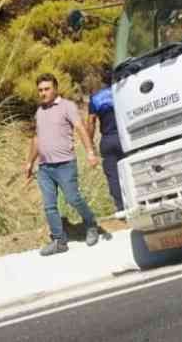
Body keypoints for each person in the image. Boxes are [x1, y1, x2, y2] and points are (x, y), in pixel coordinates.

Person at [25, 74, 111, 255]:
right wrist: (29, 162)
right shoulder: (39, 112)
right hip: (45, 168)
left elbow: (80, 128)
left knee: (73, 198)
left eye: (47, 89)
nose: (43, 93)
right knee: (49, 205)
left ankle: (91, 225)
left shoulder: (67, 107)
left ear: (55, 88)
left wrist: (90, 153)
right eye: (40, 90)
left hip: (65, 165)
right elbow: (36, 139)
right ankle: (59, 241)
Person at [88, 83, 124, 214]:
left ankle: (121, 207)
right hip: (125, 137)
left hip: (108, 140)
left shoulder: (95, 99)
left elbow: (91, 122)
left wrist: (90, 142)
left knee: (113, 176)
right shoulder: (120, 91)